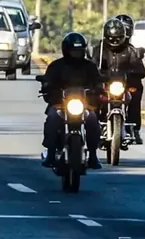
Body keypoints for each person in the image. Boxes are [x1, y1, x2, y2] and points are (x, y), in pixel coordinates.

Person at [40, 32, 103, 170]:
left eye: (79, 51)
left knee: (92, 120)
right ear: (66, 50)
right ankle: (51, 154)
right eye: (74, 51)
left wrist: (99, 88)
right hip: (60, 105)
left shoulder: (90, 66)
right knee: (52, 118)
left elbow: (98, 81)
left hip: (84, 105)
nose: (76, 54)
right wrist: (47, 86)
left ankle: (93, 155)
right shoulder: (56, 66)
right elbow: (47, 82)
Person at [91, 17, 145, 144]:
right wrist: (97, 75)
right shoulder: (99, 49)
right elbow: (92, 66)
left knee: (135, 93)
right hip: (104, 84)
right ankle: (93, 126)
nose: (114, 40)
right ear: (106, 36)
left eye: (118, 37)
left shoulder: (130, 50)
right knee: (91, 96)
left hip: (123, 85)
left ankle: (134, 128)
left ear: (124, 36)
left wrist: (133, 74)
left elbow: (140, 69)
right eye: (111, 38)